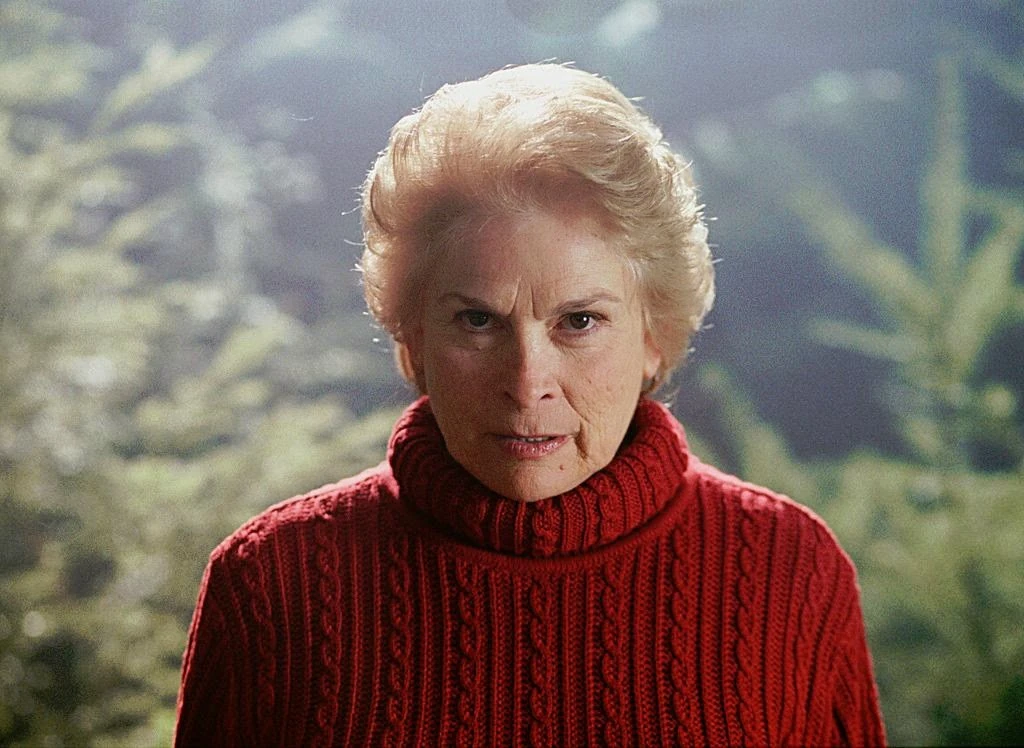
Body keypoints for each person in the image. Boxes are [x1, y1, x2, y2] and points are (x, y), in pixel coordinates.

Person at [175, 63, 885, 746]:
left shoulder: (792, 571)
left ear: (655, 336)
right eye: (478, 320)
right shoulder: (270, 584)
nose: (525, 382)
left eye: (579, 321)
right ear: (412, 338)